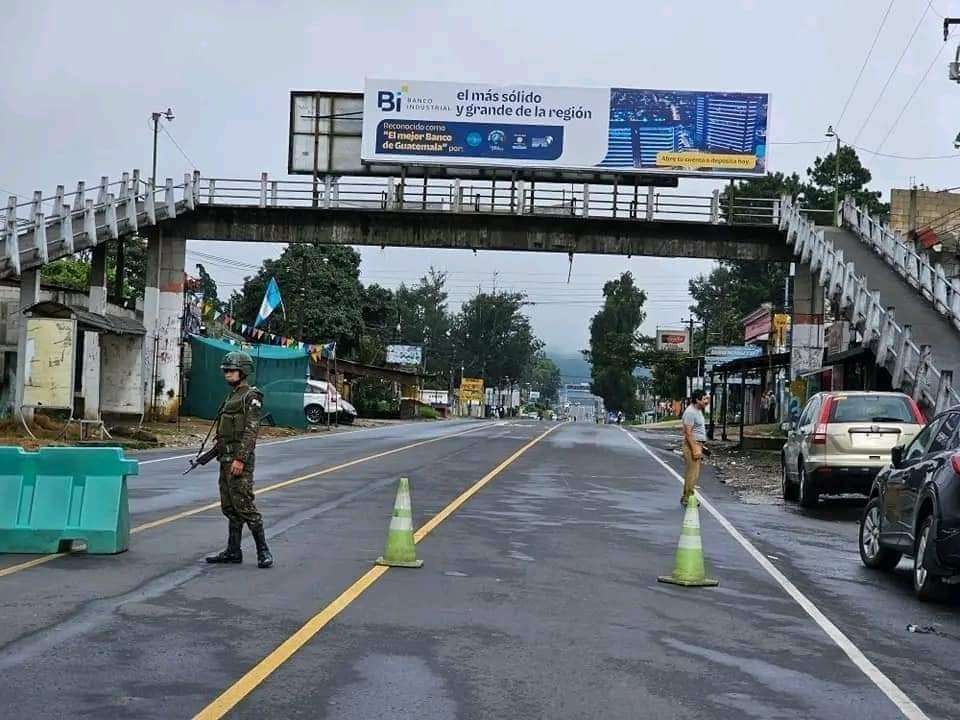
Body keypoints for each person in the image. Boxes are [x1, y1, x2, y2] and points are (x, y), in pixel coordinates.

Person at [205, 351, 274, 569]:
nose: (227, 374)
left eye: (231, 370)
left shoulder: (251, 396)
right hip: (224, 457)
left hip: (238, 461)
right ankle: (233, 551)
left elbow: (251, 431)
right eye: (225, 371)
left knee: (244, 505)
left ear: (243, 371)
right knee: (229, 507)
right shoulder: (232, 396)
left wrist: (241, 459)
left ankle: (263, 551)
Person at [681, 389, 710, 508]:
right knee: (692, 474)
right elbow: (688, 433)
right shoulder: (690, 412)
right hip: (692, 445)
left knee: (693, 473)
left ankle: (686, 496)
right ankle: (688, 497)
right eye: (704, 399)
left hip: (698, 444)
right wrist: (694, 448)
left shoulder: (698, 411)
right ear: (697, 400)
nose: (706, 401)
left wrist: (702, 447)